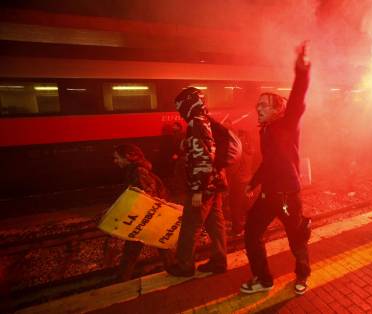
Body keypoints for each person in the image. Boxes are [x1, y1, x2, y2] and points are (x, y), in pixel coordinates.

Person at [240, 42, 312, 295]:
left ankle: (302, 274)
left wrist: (302, 72)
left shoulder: (287, 124)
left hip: (288, 196)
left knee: (297, 238)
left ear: (277, 110)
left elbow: (297, 99)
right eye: (257, 105)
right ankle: (263, 279)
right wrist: (254, 182)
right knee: (251, 233)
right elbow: (269, 161)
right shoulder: (267, 131)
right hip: (268, 194)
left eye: (263, 106)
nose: (257, 109)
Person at [166, 87, 227, 277]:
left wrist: (198, 189)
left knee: (190, 226)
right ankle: (219, 261)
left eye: (180, 107)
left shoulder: (197, 123)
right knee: (215, 224)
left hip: (204, 185)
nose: (179, 112)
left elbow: (202, 158)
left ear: (189, 104)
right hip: (214, 181)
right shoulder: (206, 120)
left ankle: (185, 265)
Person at [112, 144, 173, 281]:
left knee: (132, 249)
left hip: (146, 217)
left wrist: (134, 215)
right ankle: (174, 267)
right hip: (148, 217)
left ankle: (122, 279)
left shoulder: (139, 171)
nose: (115, 161)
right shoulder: (134, 170)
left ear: (128, 156)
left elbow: (147, 197)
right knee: (160, 246)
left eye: (117, 158)